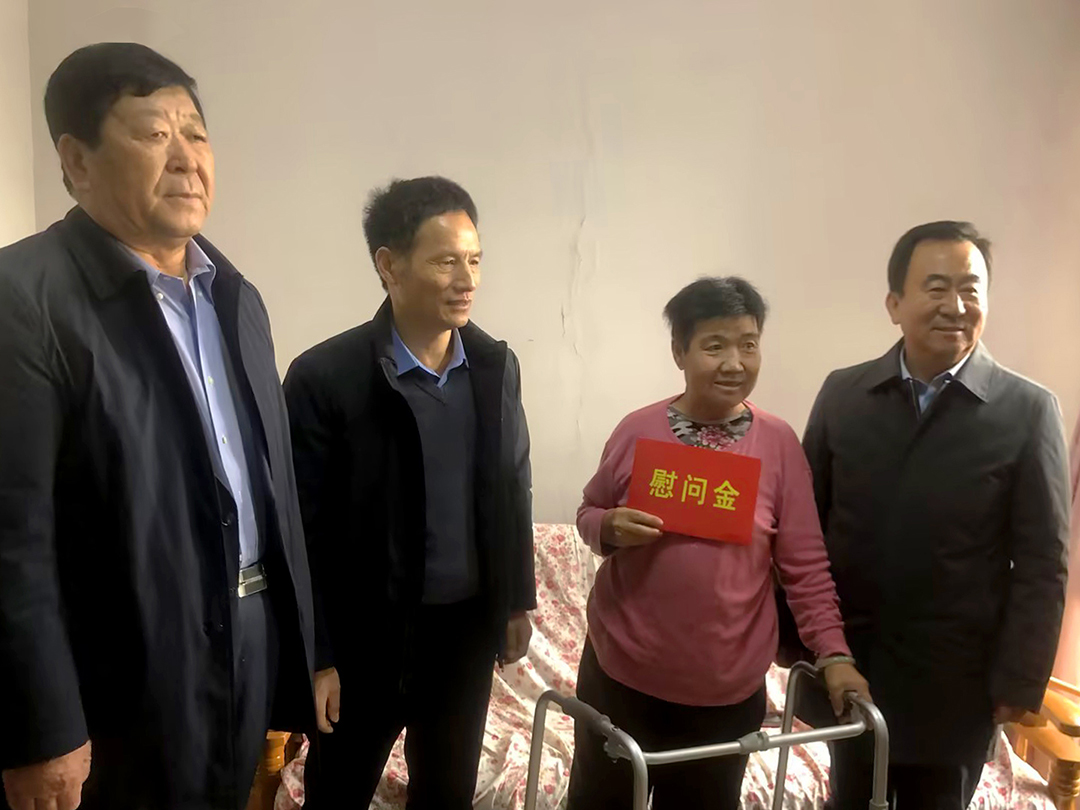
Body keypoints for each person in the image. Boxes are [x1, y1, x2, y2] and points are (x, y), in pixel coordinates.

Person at [0, 43, 316, 810]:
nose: (186, 159)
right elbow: (12, 539)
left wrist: (294, 656)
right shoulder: (23, 297)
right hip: (114, 667)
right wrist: (40, 727)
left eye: (196, 134)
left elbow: (272, 492)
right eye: (153, 134)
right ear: (76, 160)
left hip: (243, 635)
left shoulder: (235, 295)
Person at [567, 277, 870, 810]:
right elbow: (589, 512)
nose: (735, 362)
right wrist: (608, 527)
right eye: (714, 346)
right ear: (679, 352)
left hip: (724, 695)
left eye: (748, 344)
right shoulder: (637, 431)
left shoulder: (778, 445)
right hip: (620, 678)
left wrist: (834, 654)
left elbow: (805, 567)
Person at [283, 176, 536, 809]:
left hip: (463, 637)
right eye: (446, 261)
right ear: (389, 266)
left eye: (474, 260)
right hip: (364, 641)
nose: (467, 279)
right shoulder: (325, 377)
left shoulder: (495, 366)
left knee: (447, 793)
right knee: (337, 794)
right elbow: (301, 529)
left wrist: (515, 600)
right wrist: (317, 656)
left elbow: (513, 487)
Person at [803, 221, 1071, 810]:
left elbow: (1043, 561)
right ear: (894, 304)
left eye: (971, 289)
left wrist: (1020, 679)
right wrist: (798, 646)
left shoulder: (1028, 410)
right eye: (936, 287)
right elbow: (805, 530)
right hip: (854, 670)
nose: (956, 305)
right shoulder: (844, 395)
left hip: (957, 686)